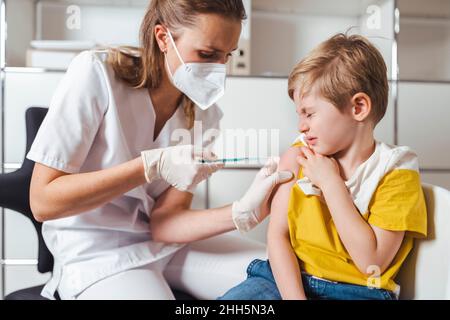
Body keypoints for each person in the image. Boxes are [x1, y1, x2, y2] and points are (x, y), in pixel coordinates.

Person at [27, 0, 293, 300]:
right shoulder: (97, 74)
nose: (219, 68)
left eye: (227, 56)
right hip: (97, 252)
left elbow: (164, 225)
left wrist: (242, 212)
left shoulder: (205, 116)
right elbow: (42, 202)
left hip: (165, 247)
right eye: (207, 54)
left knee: (284, 273)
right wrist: (149, 166)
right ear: (163, 37)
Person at [218, 33, 428, 300]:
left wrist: (331, 183)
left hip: (358, 292)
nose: (301, 126)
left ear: (359, 107)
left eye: (309, 113)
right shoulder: (298, 156)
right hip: (285, 281)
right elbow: (278, 238)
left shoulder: (396, 171)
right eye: (299, 114)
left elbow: (370, 262)